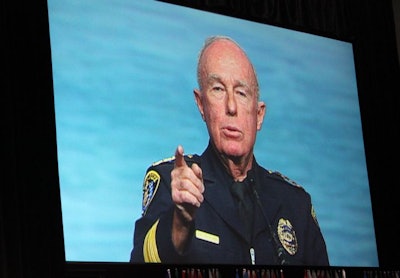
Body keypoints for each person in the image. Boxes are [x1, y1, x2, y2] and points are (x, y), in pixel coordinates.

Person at [130, 35, 329, 265]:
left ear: (259, 115)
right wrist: (180, 222)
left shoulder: (295, 203)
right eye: (218, 89)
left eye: (241, 93)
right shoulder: (174, 184)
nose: (231, 107)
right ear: (201, 104)